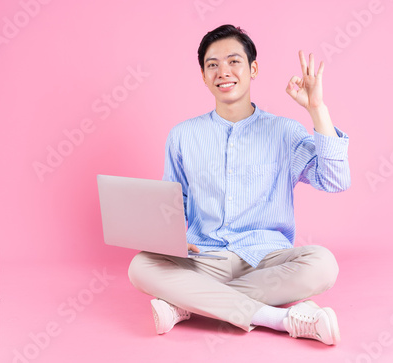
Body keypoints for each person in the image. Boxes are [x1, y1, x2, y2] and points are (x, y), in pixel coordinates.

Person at [128, 24, 350, 345]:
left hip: (266, 260)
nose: (223, 72)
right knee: (140, 266)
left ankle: (185, 304)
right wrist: (168, 237)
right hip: (205, 259)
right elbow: (174, 202)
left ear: (253, 69)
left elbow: (335, 179)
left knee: (323, 264)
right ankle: (280, 318)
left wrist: (317, 109)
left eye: (234, 61)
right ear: (204, 76)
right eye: (212, 65)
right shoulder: (183, 135)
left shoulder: (284, 132)